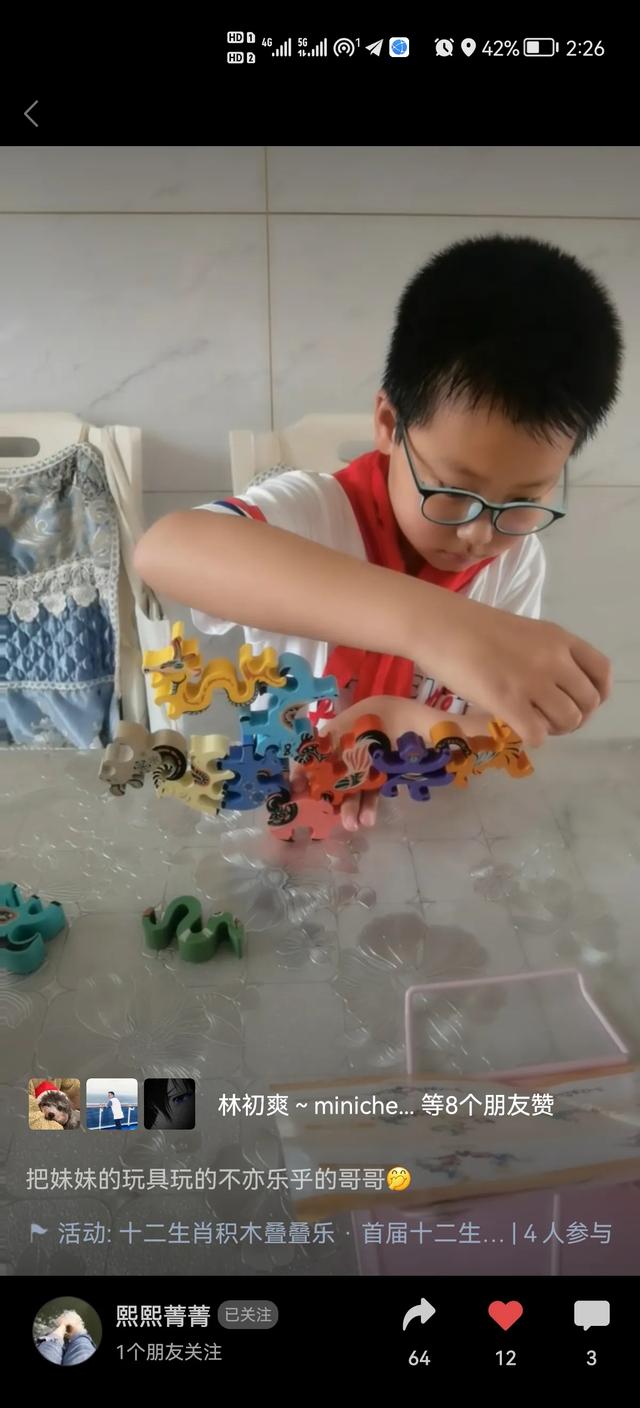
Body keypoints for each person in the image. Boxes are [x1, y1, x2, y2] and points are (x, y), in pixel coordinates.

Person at [134, 234, 622, 830]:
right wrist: (437, 627)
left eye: (523, 502)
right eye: (453, 490)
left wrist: (407, 722)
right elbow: (166, 549)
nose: (478, 535)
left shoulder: (517, 562)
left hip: (425, 837)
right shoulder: (313, 513)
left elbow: (501, 736)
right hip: (282, 823)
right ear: (389, 424)